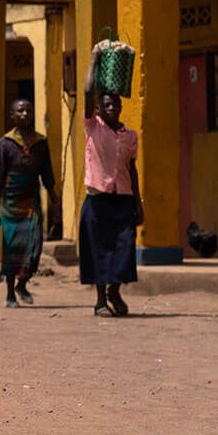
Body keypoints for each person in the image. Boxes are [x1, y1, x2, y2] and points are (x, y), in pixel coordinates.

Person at [0, 99, 57, 307]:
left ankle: (23, 283)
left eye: (28, 110)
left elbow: (47, 176)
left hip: (31, 203)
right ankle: (10, 293)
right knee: (11, 249)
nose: (25, 114)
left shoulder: (40, 143)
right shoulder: (4, 144)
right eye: (20, 111)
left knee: (34, 247)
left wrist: (56, 203)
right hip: (10, 202)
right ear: (12, 115)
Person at [80, 89, 141, 317]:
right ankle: (100, 301)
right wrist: (94, 60)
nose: (112, 108)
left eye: (115, 104)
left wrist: (138, 202)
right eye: (106, 105)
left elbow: (131, 169)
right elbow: (87, 91)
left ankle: (114, 291)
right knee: (98, 252)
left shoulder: (130, 136)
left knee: (125, 248)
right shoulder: (93, 127)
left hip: (123, 200)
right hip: (97, 201)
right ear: (98, 109)